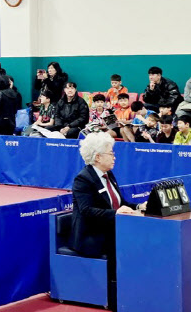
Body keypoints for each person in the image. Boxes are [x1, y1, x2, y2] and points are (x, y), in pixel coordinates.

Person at [70, 132, 144, 310]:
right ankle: (117, 297)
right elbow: (87, 211)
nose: (114, 157)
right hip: (91, 234)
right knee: (124, 245)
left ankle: (137, 289)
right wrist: (116, 213)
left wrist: (139, 206)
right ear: (97, 157)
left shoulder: (108, 175)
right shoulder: (83, 179)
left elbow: (121, 203)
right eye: (111, 153)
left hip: (112, 228)